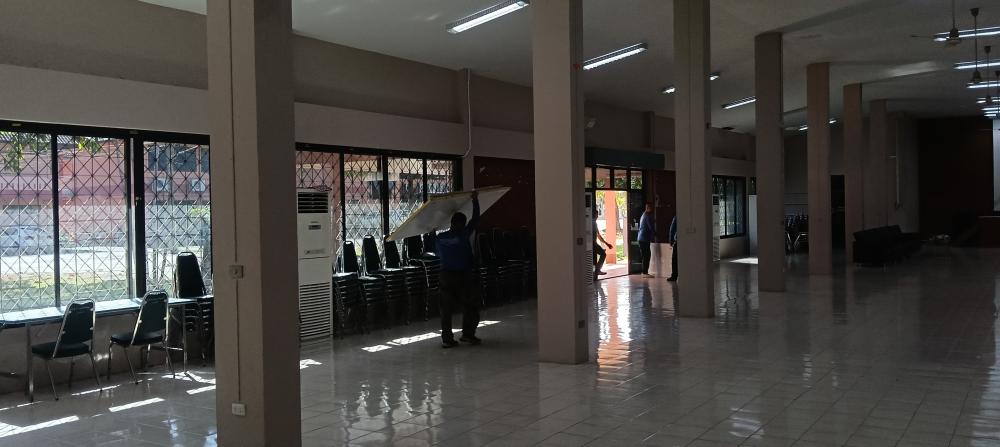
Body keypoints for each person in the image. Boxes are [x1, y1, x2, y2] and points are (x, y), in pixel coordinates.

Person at [435, 192, 481, 348]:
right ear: (462, 224)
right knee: (470, 305)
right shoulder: (463, 234)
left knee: (446, 309)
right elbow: (475, 219)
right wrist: (475, 201)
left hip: (445, 275)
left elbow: (437, 252)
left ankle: (447, 339)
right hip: (463, 276)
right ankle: (468, 334)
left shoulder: (440, 238)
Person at [593, 214, 613, 278]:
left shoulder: (593, 223)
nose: (597, 216)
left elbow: (598, 236)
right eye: (596, 215)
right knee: (603, 254)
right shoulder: (593, 223)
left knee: (600, 255)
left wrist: (606, 244)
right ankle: (597, 270)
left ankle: (596, 271)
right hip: (593, 243)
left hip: (593, 243)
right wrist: (607, 244)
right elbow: (599, 236)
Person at [637, 202, 655, 277]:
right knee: (646, 255)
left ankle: (644, 272)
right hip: (644, 238)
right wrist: (656, 235)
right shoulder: (647, 216)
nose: (652, 209)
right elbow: (650, 227)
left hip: (642, 238)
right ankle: (644, 272)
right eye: (651, 207)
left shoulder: (643, 215)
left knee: (646, 255)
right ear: (648, 207)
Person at [667, 215, 678, 282]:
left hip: (677, 241)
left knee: (675, 260)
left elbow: (672, 229)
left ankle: (674, 276)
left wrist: (671, 241)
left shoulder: (676, 217)